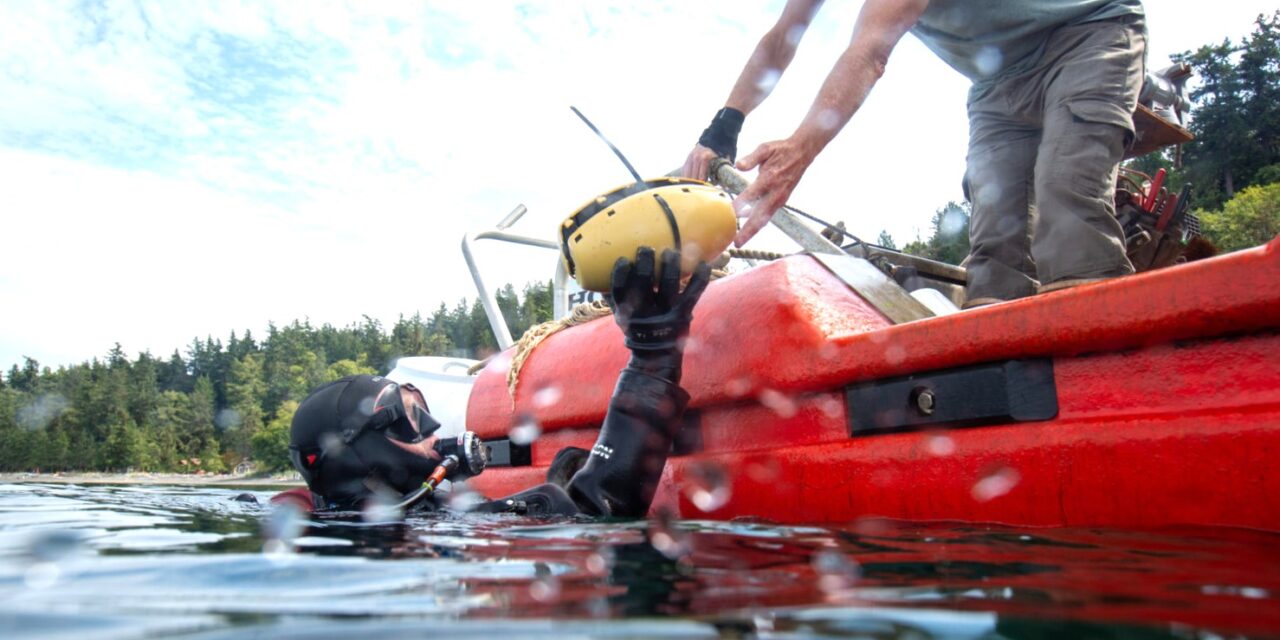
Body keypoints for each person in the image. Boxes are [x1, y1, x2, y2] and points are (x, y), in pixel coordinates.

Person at [684, 0, 1146, 307]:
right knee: (996, 249)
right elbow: (783, 36)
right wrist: (723, 127)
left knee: (1065, 196)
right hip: (997, 83)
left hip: (1086, 32)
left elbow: (870, 52)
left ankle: (1108, 367)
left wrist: (798, 152)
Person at [272, 248, 710, 517]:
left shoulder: (430, 513)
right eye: (407, 420)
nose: (432, 430)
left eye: (422, 411)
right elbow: (597, 512)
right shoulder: (372, 532)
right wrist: (653, 360)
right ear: (356, 449)